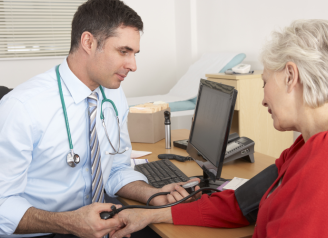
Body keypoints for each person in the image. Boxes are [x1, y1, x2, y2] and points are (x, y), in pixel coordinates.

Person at [109, 19, 328, 238]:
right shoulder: (306, 145)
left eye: (264, 82)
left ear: (290, 76)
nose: (263, 99)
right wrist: (152, 215)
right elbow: (242, 203)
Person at [0, 0, 197, 237]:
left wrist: (153, 194)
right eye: (123, 51)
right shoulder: (22, 107)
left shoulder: (114, 95)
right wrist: (69, 222)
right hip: (44, 230)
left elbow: (116, 167)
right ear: (88, 42)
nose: (133, 65)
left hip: (99, 220)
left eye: (134, 53)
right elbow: (2, 204)